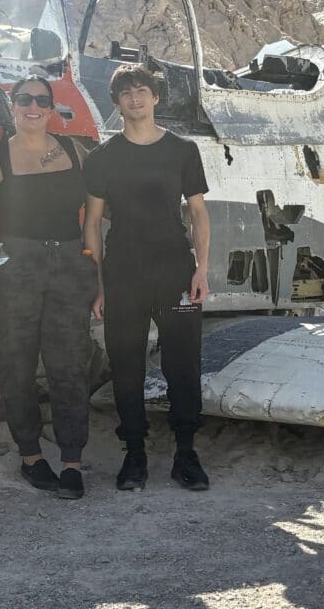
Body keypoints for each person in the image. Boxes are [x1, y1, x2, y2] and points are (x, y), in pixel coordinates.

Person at [83, 64, 211, 491]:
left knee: (182, 362)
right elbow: (93, 224)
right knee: (126, 365)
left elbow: (197, 213)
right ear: (117, 103)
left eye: (142, 90)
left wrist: (201, 269)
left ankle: (186, 453)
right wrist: (99, 282)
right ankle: (134, 454)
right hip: (123, 275)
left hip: (175, 272)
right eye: (125, 93)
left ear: (156, 97)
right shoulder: (103, 158)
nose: (134, 98)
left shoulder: (182, 151)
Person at [0, 74, 99, 499]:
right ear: (11, 106)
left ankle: (72, 460)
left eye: (41, 100)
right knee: (17, 361)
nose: (33, 107)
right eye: (24, 99)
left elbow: (93, 221)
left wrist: (99, 279)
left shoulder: (75, 151)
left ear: (52, 109)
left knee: (69, 362)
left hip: (70, 264)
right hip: (16, 266)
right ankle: (31, 456)